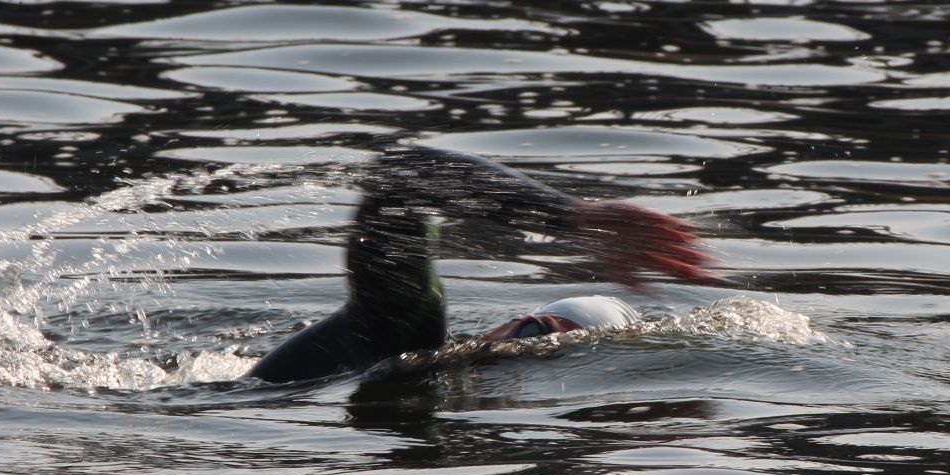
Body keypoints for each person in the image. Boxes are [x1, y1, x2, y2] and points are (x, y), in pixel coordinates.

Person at [248, 143, 720, 384]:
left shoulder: (444, 407)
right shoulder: (397, 337)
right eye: (539, 337)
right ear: (502, 328)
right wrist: (571, 216)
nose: (538, 362)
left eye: (561, 366)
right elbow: (401, 175)